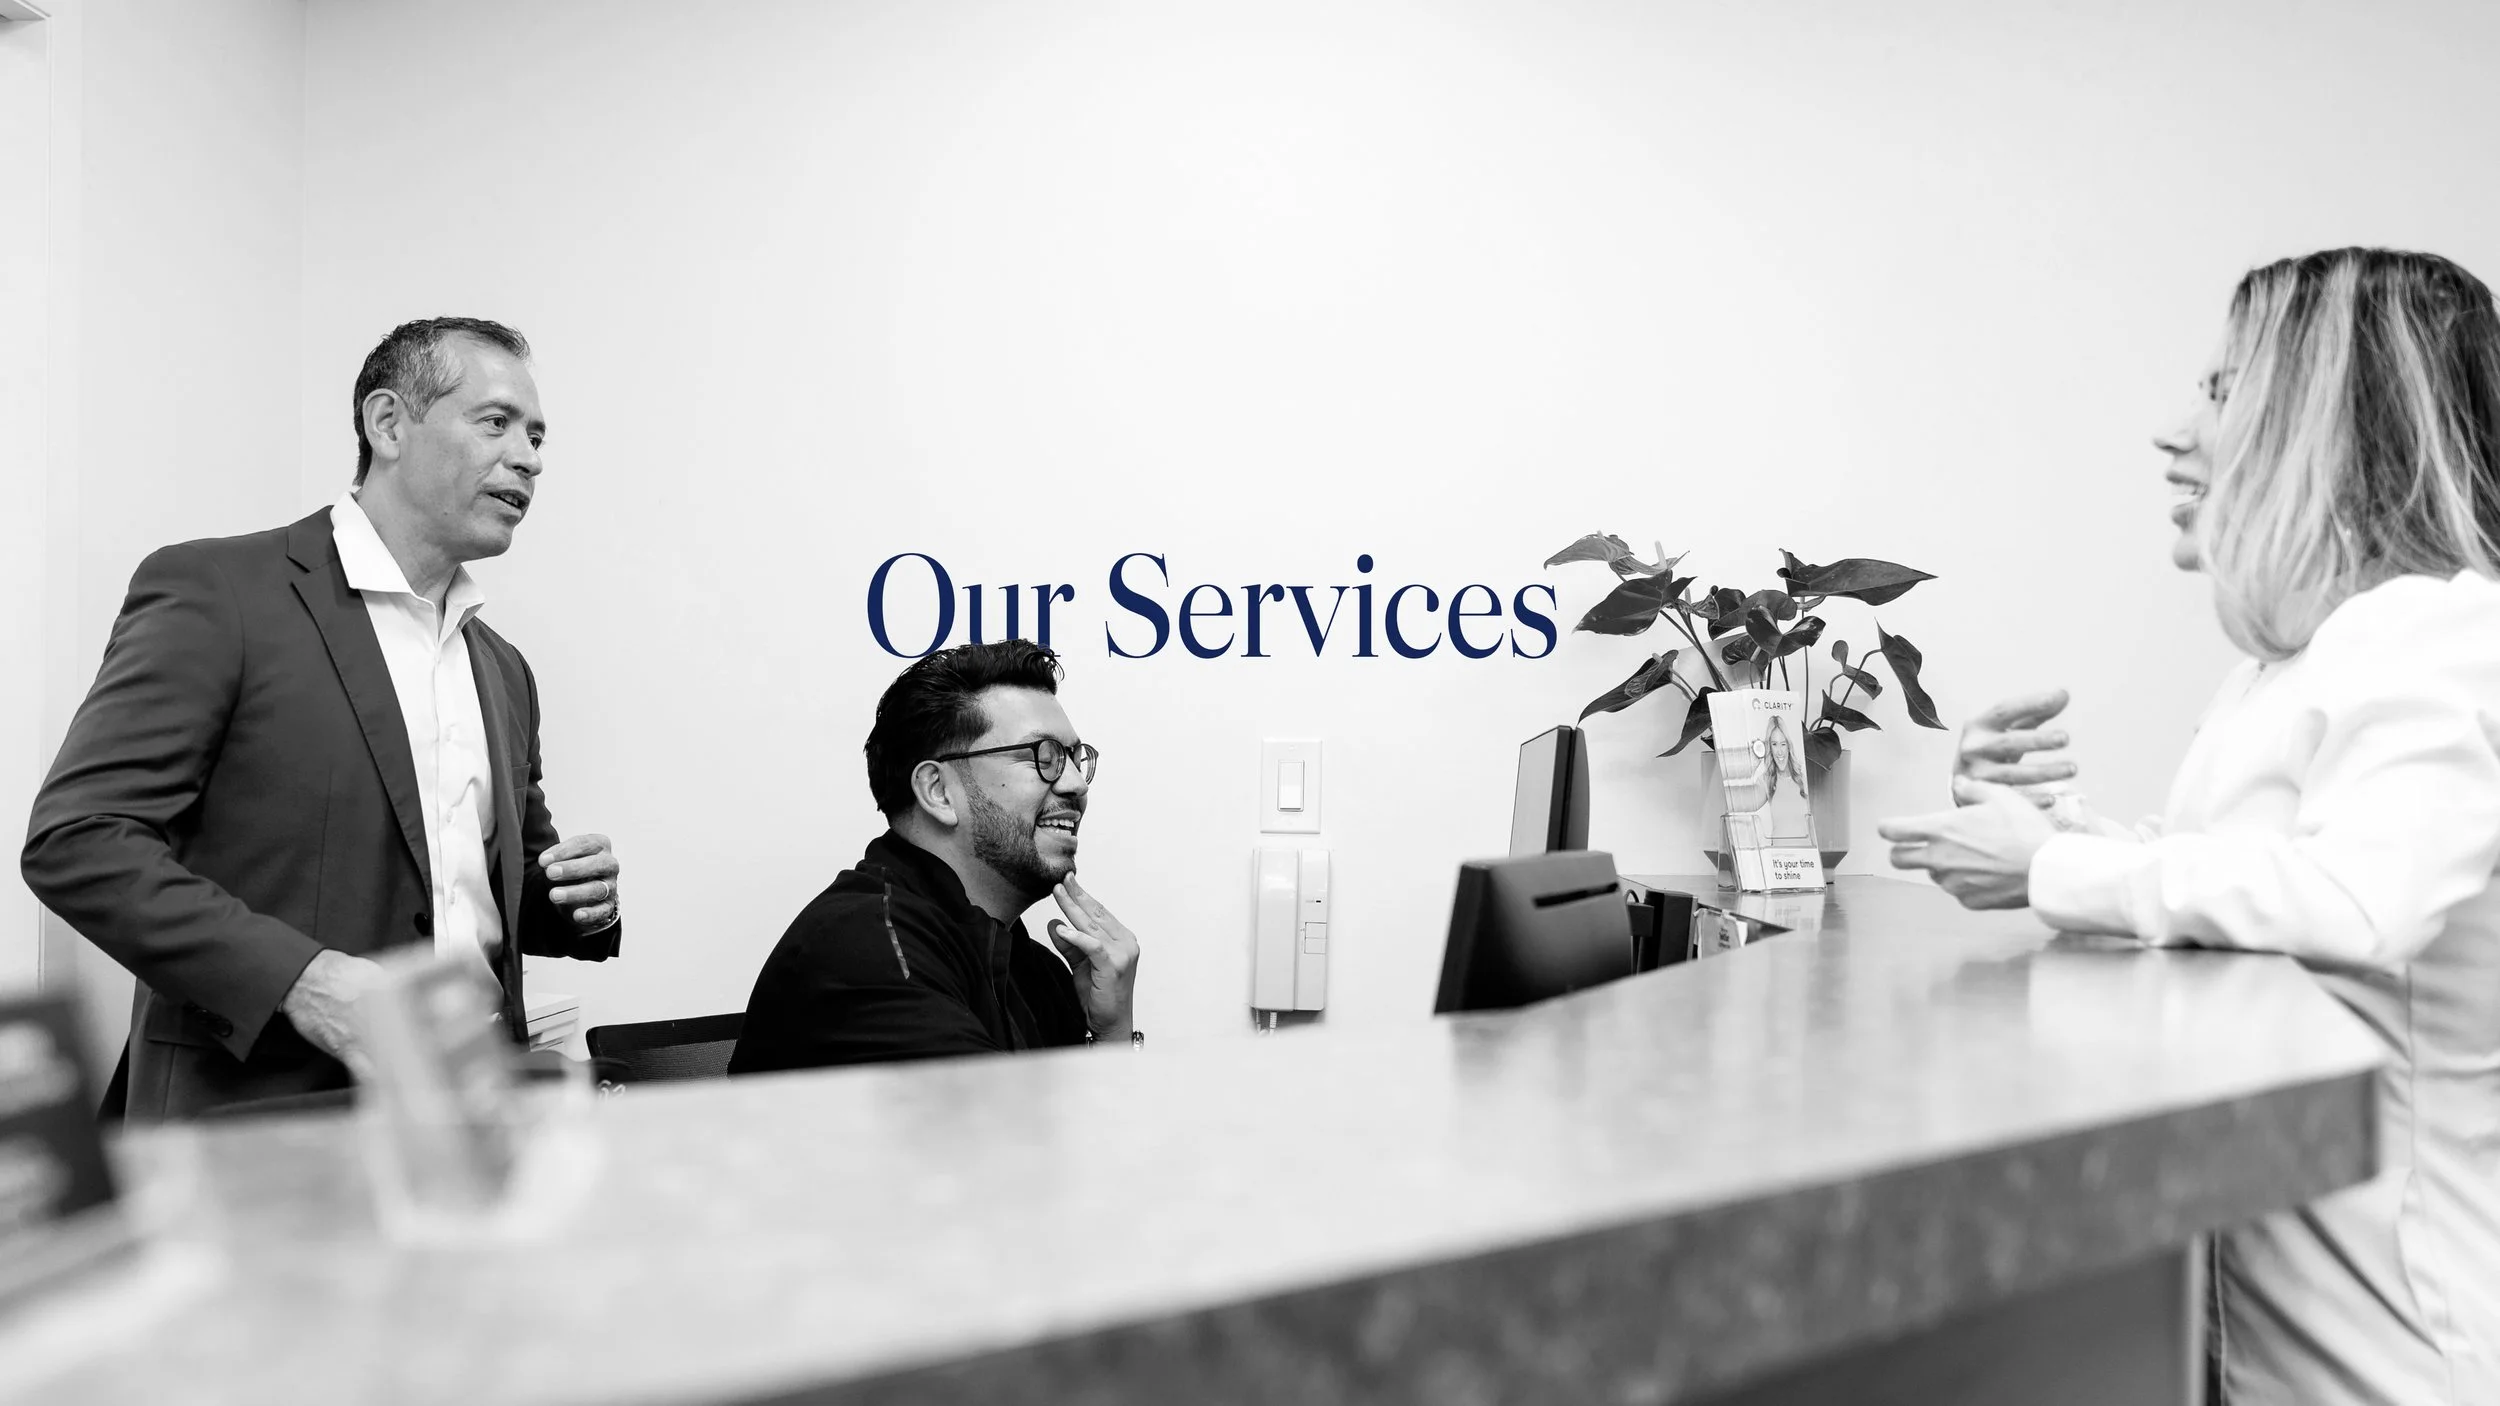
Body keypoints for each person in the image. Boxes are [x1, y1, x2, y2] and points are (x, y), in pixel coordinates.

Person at [1880, 248, 2500, 1405]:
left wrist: (2054, 865)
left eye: (2220, 390)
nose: (2175, 432)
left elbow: (2356, 902)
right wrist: (2042, 827)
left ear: (2331, 419)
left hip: (2402, 1362)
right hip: (2276, 1339)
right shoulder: (2292, 665)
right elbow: (2229, 888)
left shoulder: (2441, 633)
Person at [23, 317, 624, 1120]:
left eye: (538, 436)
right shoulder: (221, 591)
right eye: (496, 423)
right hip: (257, 1123)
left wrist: (576, 899)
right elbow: (79, 840)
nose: (529, 458)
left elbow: (481, 896)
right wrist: (300, 980)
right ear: (388, 425)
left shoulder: (504, 670)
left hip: (468, 1118)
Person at [730, 640, 1141, 1073]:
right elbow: (998, 1117)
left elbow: (1094, 1115)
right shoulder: (869, 951)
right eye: (1045, 756)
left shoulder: (1034, 970)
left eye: (1075, 758)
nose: (1077, 784)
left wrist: (1111, 1033)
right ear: (938, 792)